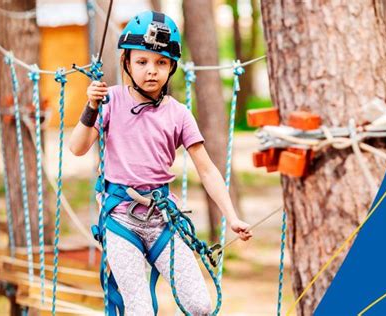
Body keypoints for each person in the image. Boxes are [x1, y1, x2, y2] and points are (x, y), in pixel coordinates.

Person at [69, 10, 252, 316]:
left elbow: (206, 169)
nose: (151, 71)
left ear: (171, 68)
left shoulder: (179, 114)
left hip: (161, 218)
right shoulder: (110, 101)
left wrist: (231, 216)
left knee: (201, 305)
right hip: (120, 218)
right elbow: (77, 147)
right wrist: (91, 106)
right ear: (127, 63)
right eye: (142, 62)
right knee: (139, 310)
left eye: (161, 62)